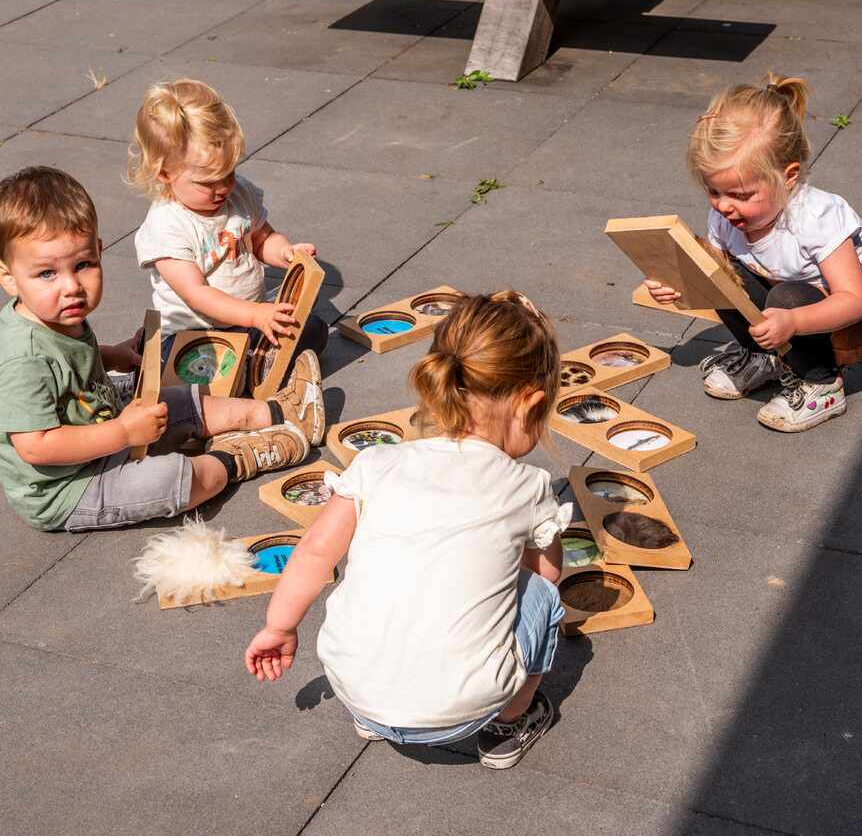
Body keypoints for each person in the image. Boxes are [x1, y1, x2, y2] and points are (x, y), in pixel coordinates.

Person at [244, 292, 571, 770]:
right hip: (461, 712)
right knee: (541, 597)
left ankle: (372, 717)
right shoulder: (526, 485)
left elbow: (314, 553)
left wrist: (279, 626)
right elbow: (546, 575)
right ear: (530, 404)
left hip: (353, 689)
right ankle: (508, 725)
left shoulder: (377, 462)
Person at [0, 166, 325, 532]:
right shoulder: (21, 357)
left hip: (102, 419)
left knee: (182, 401)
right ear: (9, 277)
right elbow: (36, 447)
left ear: (100, 251)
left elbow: (65, 363)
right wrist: (123, 434)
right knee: (178, 480)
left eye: (83, 264)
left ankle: (280, 412)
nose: (71, 286)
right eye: (47, 274)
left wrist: (110, 354)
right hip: (70, 487)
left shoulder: (55, 312)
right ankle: (235, 457)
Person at [646, 73, 862, 432]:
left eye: (741, 195)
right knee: (717, 268)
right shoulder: (728, 215)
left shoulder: (817, 217)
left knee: (787, 295)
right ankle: (766, 357)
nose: (724, 206)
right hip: (782, 308)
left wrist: (793, 322)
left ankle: (822, 383)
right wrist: (679, 285)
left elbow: (855, 300)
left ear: (788, 176)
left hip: (838, 320)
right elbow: (714, 275)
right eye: (714, 192)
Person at [127, 78, 328, 379]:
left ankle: (254, 365)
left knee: (313, 329)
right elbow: (197, 295)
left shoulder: (239, 194)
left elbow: (261, 238)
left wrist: (285, 252)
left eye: (229, 173)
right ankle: (153, 358)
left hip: (246, 322)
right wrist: (255, 315)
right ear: (164, 172)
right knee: (204, 373)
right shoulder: (167, 226)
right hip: (193, 336)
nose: (223, 188)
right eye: (208, 182)